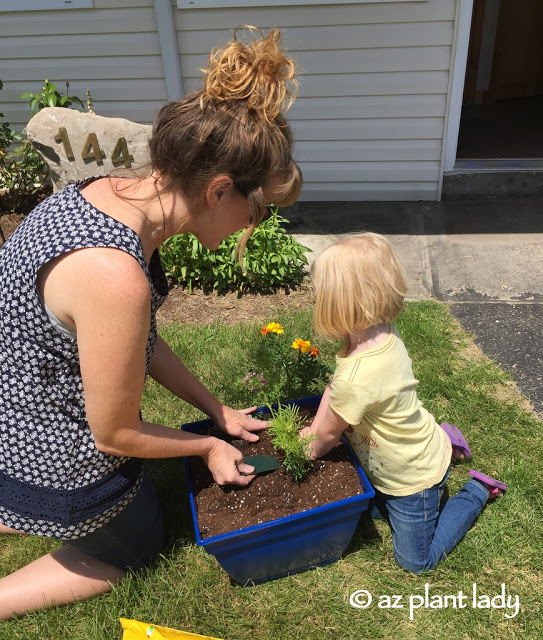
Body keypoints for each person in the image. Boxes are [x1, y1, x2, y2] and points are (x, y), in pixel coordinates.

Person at [0, 26, 301, 618]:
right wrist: (206, 447)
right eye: (255, 209)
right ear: (218, 190)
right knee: (135, 546)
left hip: (16, 393)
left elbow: (136, 342)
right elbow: (112, 434)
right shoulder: (116, 274)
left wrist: (214, 408)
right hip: (41, 438)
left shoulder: (107, 195)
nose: (251, 227)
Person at [301, 233, 507, 574]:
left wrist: (306, 444)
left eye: (321, 295)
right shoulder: (381, 332)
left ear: (341, 304)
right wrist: (314, 425)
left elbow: (325, 438)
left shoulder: (357, 376)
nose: (317, 301)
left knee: (416, 562)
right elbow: (333, 389)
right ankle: (446, 442)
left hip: (414, 480)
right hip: (407, 450)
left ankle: (477, 491)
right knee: (373, 509)